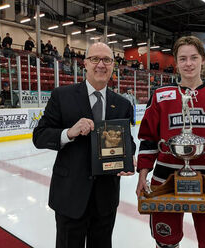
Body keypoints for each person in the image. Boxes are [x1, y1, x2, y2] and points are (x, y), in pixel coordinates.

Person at [136, 36, 205, 248]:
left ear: (202, 60)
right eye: (183, 58)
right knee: (166, 241)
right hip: (166, 183)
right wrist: (142, 176)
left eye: (194, 58)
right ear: (176, 62)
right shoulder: (160, 95)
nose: (189, 63)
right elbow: (149, 139)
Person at [32, 42, 136, 248]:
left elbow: (128, 140)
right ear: (85, 64)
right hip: (70, 195)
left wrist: (128, 156)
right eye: (95, 59)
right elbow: (40, 136)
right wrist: (69, 133)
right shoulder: (62, 96)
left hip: (105, 198)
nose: (101, 65)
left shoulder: (122, 104)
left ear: (113, 66)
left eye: (107, 60)